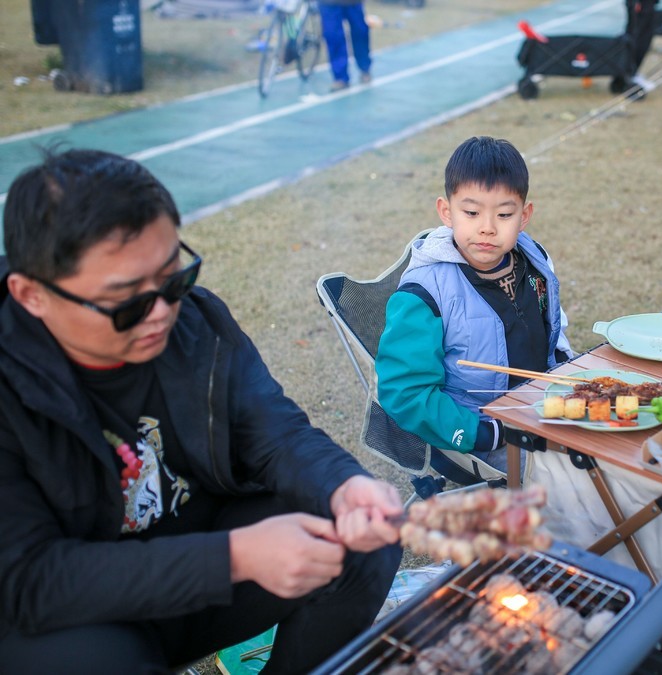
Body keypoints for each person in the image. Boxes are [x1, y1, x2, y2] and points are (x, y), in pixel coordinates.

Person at [0, 148, 403, 674]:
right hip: (76, 613)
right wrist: (234, 556)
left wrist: (344, 487)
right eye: (126, 301)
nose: (162, 312)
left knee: (358, 542)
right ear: (32, 295)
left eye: (173, 279)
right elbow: (30, 581)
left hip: (199, 571)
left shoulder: (195, 323)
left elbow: (275, 434)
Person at [375, 136, 573, 478]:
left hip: (543, 409)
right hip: (479, 435)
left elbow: (553, 331)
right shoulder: (423, 293)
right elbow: (404, 392)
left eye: (504, 214)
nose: (487, 227)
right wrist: (482, 433)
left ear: (524, 216)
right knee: (574, 480)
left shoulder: (535, 260)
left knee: (621, 453)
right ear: (446, 212)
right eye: (471, 212)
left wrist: (568, 372)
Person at [319, 0, 372, 91]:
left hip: (353, 2)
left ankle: (364, 67)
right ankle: (340, 77)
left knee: (360, 32)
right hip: (328, 3)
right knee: (333, 36)